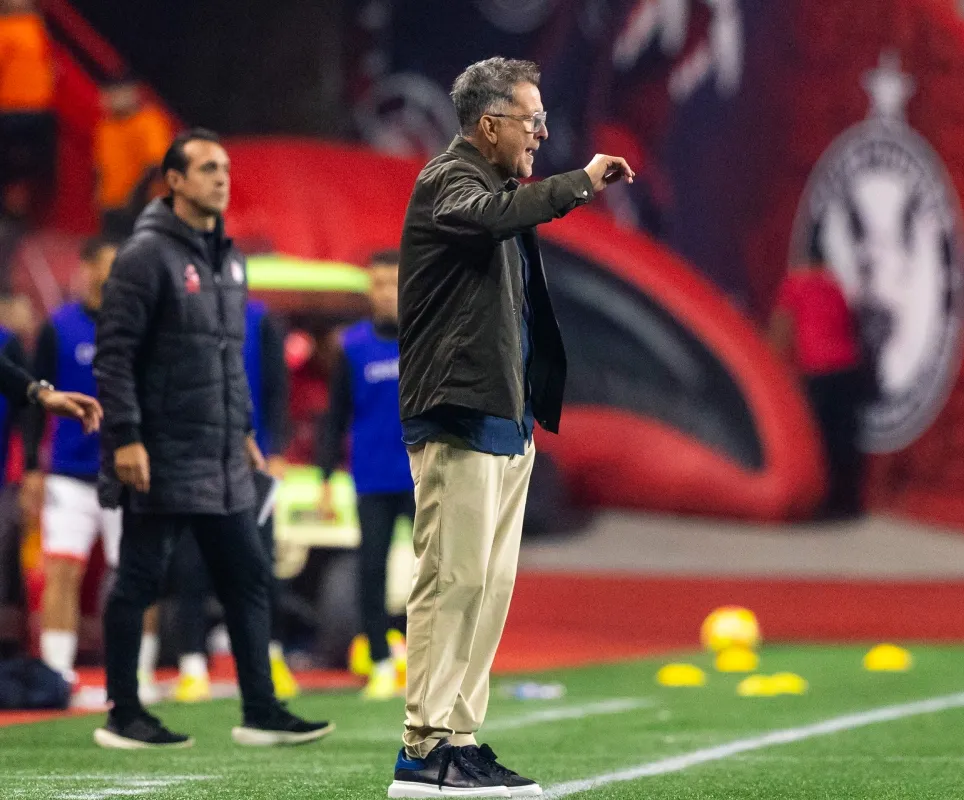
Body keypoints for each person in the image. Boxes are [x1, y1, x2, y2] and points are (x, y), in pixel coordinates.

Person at [390, 56, 633, 798]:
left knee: (488, 587)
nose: (541, 134)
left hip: (503, 416)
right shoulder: (448, 181)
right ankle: (422, 748)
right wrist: (580, 182)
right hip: (458, 410)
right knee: (451, 578)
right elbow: (497, 218)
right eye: (532, 121)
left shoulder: (493, 185)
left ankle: (458, 738)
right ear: (489, 124)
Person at [92, 128, 332, 748]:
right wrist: (126, 437)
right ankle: (124, 712)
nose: (221, 178)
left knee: (249, 576)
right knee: (141, 581)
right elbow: (114, 356)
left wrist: (248, 433)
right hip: (162, 451)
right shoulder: (144, 256)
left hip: (223, 454)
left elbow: (229, 361)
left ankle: (261, 710)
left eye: (224, 167)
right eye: (206, 169)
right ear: (173, 182)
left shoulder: (230, 257)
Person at [22, 236, 162, 697]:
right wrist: (32, 469)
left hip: (129, 474)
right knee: (63, 571)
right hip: (69, 473)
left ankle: (137, 677)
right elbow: (32, 402)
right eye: (106, 266)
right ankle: (56, 674)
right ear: (86, 268)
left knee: (137, 573)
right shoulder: (58, 328)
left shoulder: (143, 327)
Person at [172, 297, 297, 703]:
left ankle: (271, 656)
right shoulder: (181, 314)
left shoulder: (262, 321)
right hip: (194, 459)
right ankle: (192, 665)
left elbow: (278, 390)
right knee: (191, 563)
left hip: (251, 461)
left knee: (259, 562)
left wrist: (276, 449)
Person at [317, 250, 413, 702]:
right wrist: (323, 480)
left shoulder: (426, 339)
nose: (385, 293)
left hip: (423, 475)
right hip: (372, 478)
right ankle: (378, 660)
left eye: (393, 283)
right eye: (377, 284)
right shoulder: (352, 346)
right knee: (370, 570)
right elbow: (334, 416)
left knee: (436, 570)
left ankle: (428, 658)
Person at [769, 255, 864, 519]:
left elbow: (781, 328)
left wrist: (769, 366)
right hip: (846, 367)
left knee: (818, 439)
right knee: (842, 439)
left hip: (818, 369)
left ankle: (819, 502)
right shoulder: (836, 286)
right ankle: (846, 502)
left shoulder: (795, 283)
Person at [93, 75, 173, 238]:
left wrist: (135, 199)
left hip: (141, 206)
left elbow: (155, 165)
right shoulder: (104, 127)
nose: (112, 99)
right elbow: (100, 166)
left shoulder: (149, 121)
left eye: (119, 93)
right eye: (109, 94)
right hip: (111, 206)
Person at [0, 0, 55, 222]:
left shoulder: (21, 27)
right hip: (33, 111)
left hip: (15, 111)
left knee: (17, 168)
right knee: (21, 168)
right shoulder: (36, 26)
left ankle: (13, 214)